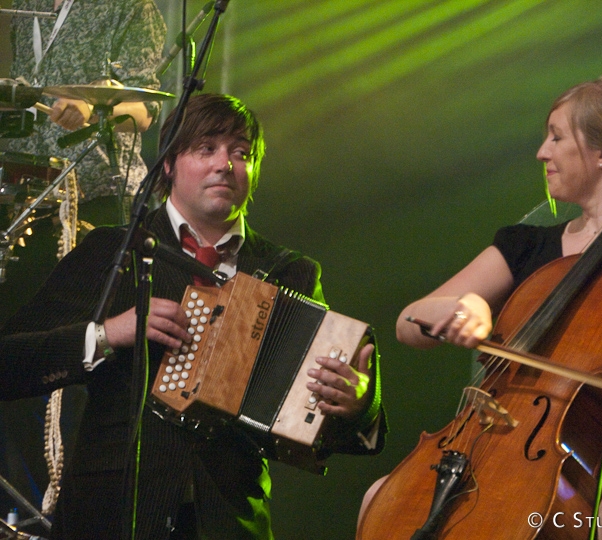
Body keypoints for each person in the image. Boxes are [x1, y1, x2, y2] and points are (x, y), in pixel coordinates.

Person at [0, 93, 386, 539]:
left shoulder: (288, 272)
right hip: (111, 516)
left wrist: (359, 405)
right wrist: (107, 334)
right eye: (207, 149)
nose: (226, 164)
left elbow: (313, 424)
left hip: (226, 520)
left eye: (242, 153)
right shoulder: (115, 252)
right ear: (167, 164)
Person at [391, 75, 602, 540]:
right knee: (387, 497)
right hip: (528, 458)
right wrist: (464, 306)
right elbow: (408, 321)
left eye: (557, 136)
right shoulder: (528, 247)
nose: (542, 152)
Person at [0, 0, 167, 524]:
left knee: (82, 363)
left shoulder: (129, 7)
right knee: (22, 351)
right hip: (30, 197)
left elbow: (146, 106)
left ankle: (73, 510)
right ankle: (21, 510)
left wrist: (94, 109)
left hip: (97, 198)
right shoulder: (24, 5)